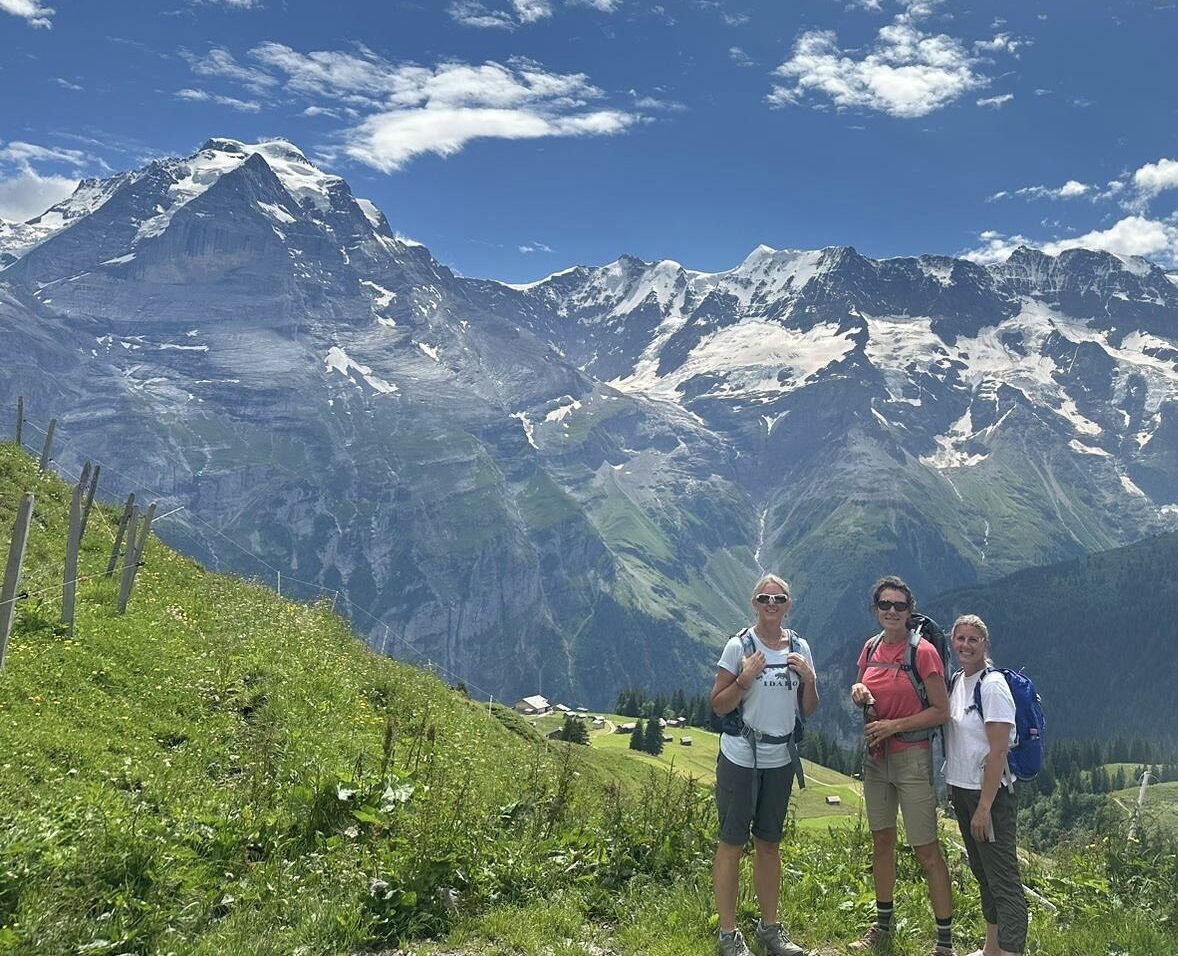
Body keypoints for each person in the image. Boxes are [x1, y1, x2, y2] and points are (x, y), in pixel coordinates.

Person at [710, 574, 819, 956]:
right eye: (764, 597)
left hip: (780, 758)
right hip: (741, 756)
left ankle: (770, 929)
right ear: (754, 603)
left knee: (769, 844)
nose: (772, 603)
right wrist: (744, 678)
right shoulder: (739, 646)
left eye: (779, 598)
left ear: (789, 604)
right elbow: (719, 704)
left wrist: (809, 679)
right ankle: (728, 935)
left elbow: (808, 709)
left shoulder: (801, 647)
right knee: (732, 843)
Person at [849, 576, 954, 956]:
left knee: (926, 849)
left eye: (899, 606)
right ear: (875, 609)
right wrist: (858, 693)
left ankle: (944, 942)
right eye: (884, 605)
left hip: (911, 757)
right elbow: (862, 688)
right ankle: (883, 925)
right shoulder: (871, 647)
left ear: (910, 612)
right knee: (882, 842)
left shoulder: (923, 652)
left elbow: (941, 711)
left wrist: (894, 725)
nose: (891, 612)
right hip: (877, 758)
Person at [944, 614, 1027, 956]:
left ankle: (1010, 951)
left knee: (1004, 881)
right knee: (984, 874)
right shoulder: (958, 680)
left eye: (972, 640)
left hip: (988, 795)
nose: (965, 645)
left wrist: (983, 808)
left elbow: (998, 751)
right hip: (962, 788)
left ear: (985, 644)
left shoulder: (991, 686)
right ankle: (991, 948)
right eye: (960, 639)